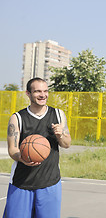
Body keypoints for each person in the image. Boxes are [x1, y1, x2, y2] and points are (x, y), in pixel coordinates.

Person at [3, 77, 71, 218]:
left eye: (45, 91)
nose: (43, 95)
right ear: (28, 93)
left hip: (50, 182)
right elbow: (12, 149)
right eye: (38, 91)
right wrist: (21, 158)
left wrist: (60, 135)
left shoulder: (58, 114)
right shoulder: (17, 118)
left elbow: (67, 144)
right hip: (22, 183)